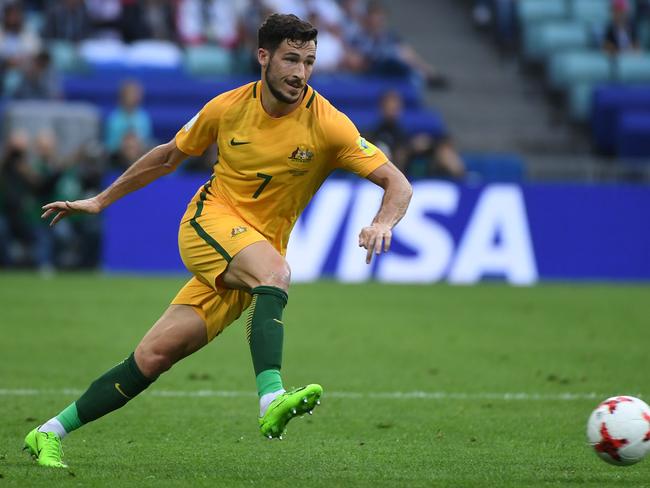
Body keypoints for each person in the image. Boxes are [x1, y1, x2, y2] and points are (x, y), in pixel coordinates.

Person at [26, 13, 412, 468]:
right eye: (291, 59)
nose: (300, 73)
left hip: (251, 256)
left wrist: (383, 222)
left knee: (153, 356)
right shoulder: (226, 107)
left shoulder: (329, 124)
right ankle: (271, 399)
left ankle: (47, 432)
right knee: (277, 273)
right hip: (209, 224)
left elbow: (397, 184)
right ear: (263, 56)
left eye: (309, 62)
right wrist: (101, 200)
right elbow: (169, 156)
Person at [370, 90, 465, 180]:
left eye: (396, 105)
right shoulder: (379, 132)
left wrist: (423, 144)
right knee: (400, 153)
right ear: (382, 108)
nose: (394, 109)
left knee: (444, 150)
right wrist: (409, 147)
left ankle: (463, 181)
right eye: (390, 105)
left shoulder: (404, 128)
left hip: (415, 160)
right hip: (396, 168)